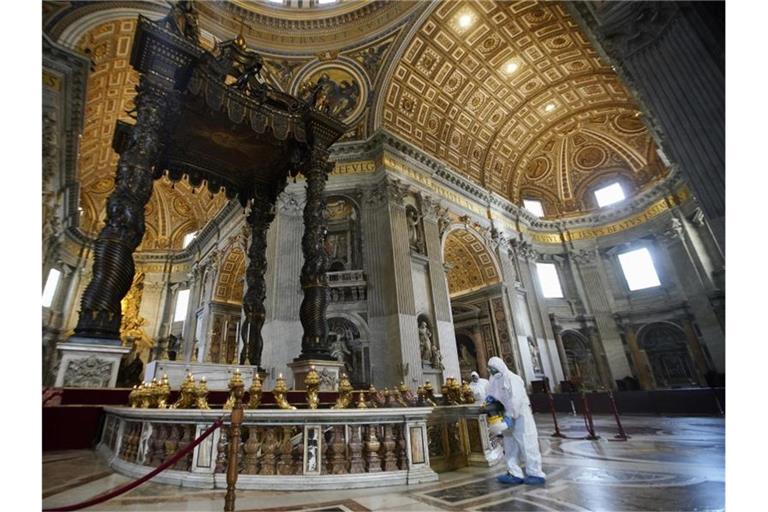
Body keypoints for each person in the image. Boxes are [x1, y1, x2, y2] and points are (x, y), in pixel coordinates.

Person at [485, 356, 546, 485]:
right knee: (509, 445)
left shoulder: (513, 379)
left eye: (494, 369)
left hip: (521, 415)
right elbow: (491, 393)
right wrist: (490, 399)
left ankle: (535, 473)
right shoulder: (494, 380)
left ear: (500, 367)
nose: (492, 371)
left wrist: (511, 415)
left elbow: (516, 399)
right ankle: (514, 473)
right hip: (504, 415)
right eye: (490, 369)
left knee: (527, 442)